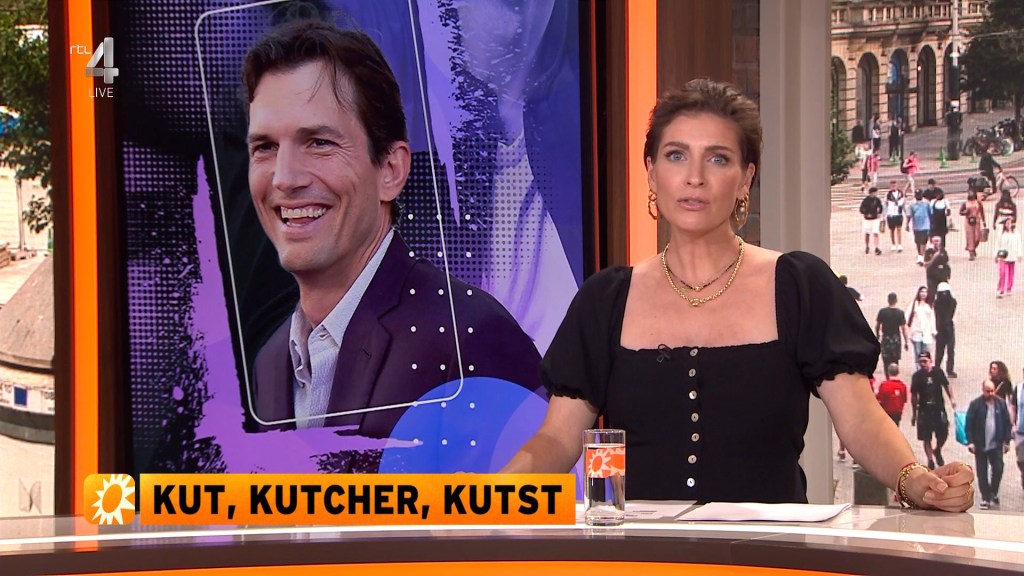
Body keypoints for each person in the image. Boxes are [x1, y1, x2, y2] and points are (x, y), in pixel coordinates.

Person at [500, 79, 974, 511]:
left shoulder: (800, 287)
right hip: (645, 557)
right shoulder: (605, 300)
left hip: (767, 555)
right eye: (676, 156)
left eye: (718, 159)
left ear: (745, 178)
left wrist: (914, 479)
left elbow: (860, 421)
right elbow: (558, 439)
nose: (695, 177)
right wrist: (491, 495)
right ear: (651, 172)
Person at [241, 20, 541, 436]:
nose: (284, 178)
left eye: (319, 143)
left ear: (391, 170)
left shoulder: (469, 337)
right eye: (265, 147)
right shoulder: (271, 362)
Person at [964, 380, 1012, 509]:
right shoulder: (975, 404)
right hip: (980, 444)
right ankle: (985, 497)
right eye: (987, 391)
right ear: (983, 390)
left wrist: (1007, 441)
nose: (990, 393)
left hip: (996, 444)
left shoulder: (1001, 404)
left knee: (998, 468)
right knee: (982, 472)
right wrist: (970, 442)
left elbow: (1007, 423)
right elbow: (969, 424)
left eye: (992, 391)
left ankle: (993, 491)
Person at [911, 352, 957, 470]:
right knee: (926, 437)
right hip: (924, 410)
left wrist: (952, 399)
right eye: (920, 362)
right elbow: (914, 395)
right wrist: (914, 414)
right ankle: (930, 459)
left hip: (938, 409)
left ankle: (937, 450)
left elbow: (946, 385)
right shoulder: (917, 376)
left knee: (943, 433)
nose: (923, 364)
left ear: (930, 361)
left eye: (925, 361)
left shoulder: (938, 372)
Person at [875, 292, 908, 369]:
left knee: (886, 359)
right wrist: (906, 341)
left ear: (888, 300)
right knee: (895, 359)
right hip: (896, 338)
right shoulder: (900, 313)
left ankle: (887, 374)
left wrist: (877, 335)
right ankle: (894, 373)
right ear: (896, 300)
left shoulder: (882, 312)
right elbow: (903, 328)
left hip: (886, 337)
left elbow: (877, 325)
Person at [932, 282, 957, 378]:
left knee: (949, 350)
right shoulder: (938, 303)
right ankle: (939, 368)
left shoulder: (939, 303)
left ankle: (948, 369)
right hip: (942, 328)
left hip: (946, 327)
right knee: (940, 350)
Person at [906, 286, 936, 359]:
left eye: (925, 292)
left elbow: (932, 319)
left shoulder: (929, 305)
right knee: (918, 354)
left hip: (927, 334)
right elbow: (906, 317)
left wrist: (933, 331)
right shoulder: (914, 304)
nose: (923, 294)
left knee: (926, 355)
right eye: (922, 292)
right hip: (916, 334)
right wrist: (909, 332)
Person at [995, 218, 1021, 297]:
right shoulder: (1001, 233)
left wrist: (1019, 254)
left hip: (1012, 255)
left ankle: (1009, 288)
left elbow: (1019, 243)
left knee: (1011, 272)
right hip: (1003, 255)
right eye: (1007, 223)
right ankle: (1001, 289)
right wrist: (996, 255)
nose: (1009, 225)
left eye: (1010, 223)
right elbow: (997, 244)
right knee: (1002, 272)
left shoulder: (1016, 233)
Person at [906, 189, 932, 265]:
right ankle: (919, 254)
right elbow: (909, 215)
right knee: (917, 241)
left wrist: (932, 223)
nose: (918, 196)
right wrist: (907, 224)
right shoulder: (912, 204)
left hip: (925, 225)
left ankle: (922, 255)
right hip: (916, 225)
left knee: (924, 240)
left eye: (919, 194)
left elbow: (930, 213)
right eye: (917, 194)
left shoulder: (926, 203)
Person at [959, 191, 986, 261]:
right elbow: (960, 212)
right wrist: (965, 212)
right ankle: (971, 253)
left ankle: (973, 248)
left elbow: (982, 211)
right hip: (968, 221)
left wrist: (984, 221)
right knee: (970, 237)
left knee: (977, 237)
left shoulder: (978, 202)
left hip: (977, 220)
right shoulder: (965, 203)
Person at [860, 186, 884, 256]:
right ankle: (867, 246)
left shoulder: (877, 200)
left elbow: (880, 207)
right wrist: (866, 214)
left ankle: (876, 247)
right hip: (867, 219)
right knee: (867, 233)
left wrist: (879, 213)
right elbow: (861, 209)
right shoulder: (865, 200)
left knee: (875, 232)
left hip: (875, 218)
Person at [884, 181, 905, 252]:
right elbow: (885, 205)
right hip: (891, 214)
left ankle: (899, 244)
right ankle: (893, 244)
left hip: (898, 213)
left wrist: (906, 213)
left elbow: (903, 204)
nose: (894, 187)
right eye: (892, 186)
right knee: (892, 230)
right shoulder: (888, 194)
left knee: (899, 229)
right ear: (890, 186)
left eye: (895, 185)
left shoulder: (901, 193)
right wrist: (883, 215)